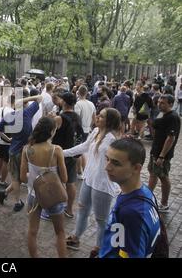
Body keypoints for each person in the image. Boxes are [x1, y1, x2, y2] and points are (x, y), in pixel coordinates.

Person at [64, 108, 121, 258]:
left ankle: (99, 248)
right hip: (89, 179)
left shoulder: (113, 139)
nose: (97, 117)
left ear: (109, 121)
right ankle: (76, 238)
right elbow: (83, 147)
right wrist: (62, 152)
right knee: (82, 210)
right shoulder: (96, 131)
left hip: (102, 185)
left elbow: (117, 164)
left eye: (101, 116)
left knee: (101, 219)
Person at [100, 138, 161, 258]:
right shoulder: (145, 192)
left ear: (136, 168)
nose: (107, 167)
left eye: (116, 163)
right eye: (107, 159)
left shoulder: (131, 213)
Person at [20, 117, 68, 258]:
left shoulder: (27, 149)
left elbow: (23, 178)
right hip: (54, 196)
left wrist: (36, 176)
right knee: (59, 232)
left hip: (34, 195)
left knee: (32, 231)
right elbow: (64, 178)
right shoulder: (56, 150)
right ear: (52, 131)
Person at [0, 94, 43, 212]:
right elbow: (40, 98)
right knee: (17, 179)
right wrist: (24, 99)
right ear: (24, 104)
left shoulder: (9, 116)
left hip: (14, 150)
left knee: (18, 178)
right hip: (24, 152)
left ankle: (4, 193)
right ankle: (17, 202)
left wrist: (7, 139)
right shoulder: (27, 112)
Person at [147, 94, 181, 213]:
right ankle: (147, 198)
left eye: (163, 103)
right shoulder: (162, 113)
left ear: (170, 104)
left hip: (163, 154)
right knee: (153, 173)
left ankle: (164, 204)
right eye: (159, 102)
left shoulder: (173, 117)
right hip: (155, 150)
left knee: (163, 176)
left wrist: (162, 156)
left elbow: (170, 138)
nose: (159, 104)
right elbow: (155, 126)